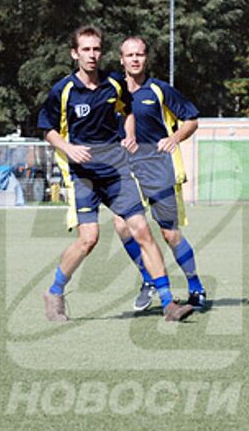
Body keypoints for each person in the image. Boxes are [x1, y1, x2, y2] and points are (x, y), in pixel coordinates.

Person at [38, 25, 193, 322]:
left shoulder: (113, 85)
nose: (92, 54)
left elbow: (129, 110)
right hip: (83, 174)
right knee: (89, 239)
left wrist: (129, 135)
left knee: (143, 231)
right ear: (75, 53)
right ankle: (55, 291)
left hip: (116, 171)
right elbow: (47, 128)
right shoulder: (63, 90)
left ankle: (168, 303)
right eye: (86, 49)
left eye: (96, 49)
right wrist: (68, 148)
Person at [111, 36, 206, 312]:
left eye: (140, 54)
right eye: (130, 55)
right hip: (126, 168)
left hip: (158, 167)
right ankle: (148, 279)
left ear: (146, 59)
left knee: (169, 233)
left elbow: (192, 120)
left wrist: (175, 137)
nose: (135, 59)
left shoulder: (160, 90)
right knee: (121, 225)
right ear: (121, 59)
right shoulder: (111, 92)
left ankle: (196, 286)